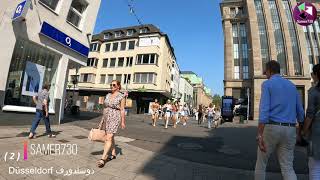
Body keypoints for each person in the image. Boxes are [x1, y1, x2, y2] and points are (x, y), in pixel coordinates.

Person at [254, 60, 305, 180]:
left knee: (261, 164)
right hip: (290, 128)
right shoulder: (292, 86)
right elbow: (300, 112)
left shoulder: (267, 84)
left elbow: (264, 111)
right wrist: (300, 131)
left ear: (270, 71)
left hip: (272, 127)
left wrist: (260, 134)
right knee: (287, 167)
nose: (265, 74)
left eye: (265, 71)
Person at [97, 80, 126, 168]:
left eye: (114, 85)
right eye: (111, 85)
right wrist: (102, 121)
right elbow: (105, 106)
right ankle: (113, 154)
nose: (112, 86)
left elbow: (122, 109)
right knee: (111, 136)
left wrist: (123, 121)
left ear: (118, 86)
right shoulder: (108, 95)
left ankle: (103, 158)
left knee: (108, 137)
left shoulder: (121, 96)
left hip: (114, 117)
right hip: (106, 117)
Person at [300, 64, 320, 180]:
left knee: (315, 167)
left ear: (317, 75)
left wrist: (303, 131)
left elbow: (310, 115)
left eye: (312, 73)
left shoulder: (314, 91)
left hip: (317, 133)